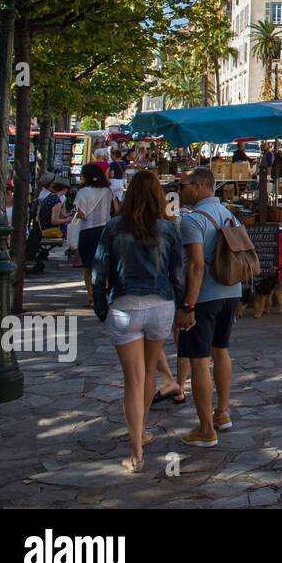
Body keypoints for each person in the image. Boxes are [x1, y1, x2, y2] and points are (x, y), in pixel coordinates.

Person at [92, 169, 184, 474]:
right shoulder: (169, 229)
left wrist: (101, 307)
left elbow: (99, 272)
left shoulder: (115, 227)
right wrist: (184, 306)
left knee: (133, 379)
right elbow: (177, 273)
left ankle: (136, 452)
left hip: (125, 304)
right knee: (147, 374)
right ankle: (142, 432)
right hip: (161, 305)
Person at [175, 166, 242, 448]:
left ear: (200, 186)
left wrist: (188, 304)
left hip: (203, 297)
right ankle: (222, 413)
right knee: (222, 350)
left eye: (184, 184)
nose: (179, 190)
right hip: (232, 291)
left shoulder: (193, 221)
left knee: (199, 360)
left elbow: (196, 264)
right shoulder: (230, 214)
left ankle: (205, 429)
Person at [74, 163, 118, 308]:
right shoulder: (108, 191)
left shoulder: (83, 192)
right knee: (104, 264)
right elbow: (116, 209)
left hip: (87, 231)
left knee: (87, 266)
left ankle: (91, 296)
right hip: (105, 230)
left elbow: (81, 214)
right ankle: (104, 293)